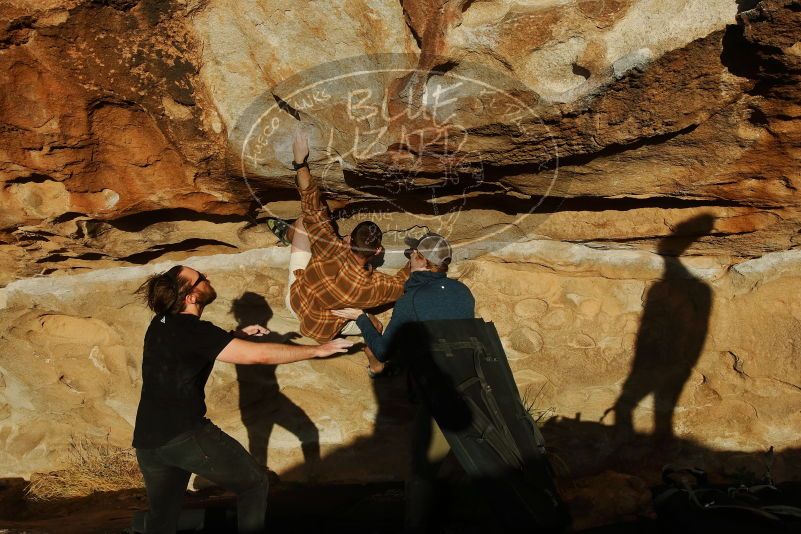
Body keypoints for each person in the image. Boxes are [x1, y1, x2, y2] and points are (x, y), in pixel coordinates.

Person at [133, 264, 352, 534]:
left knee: (162, 521)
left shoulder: (161, 322)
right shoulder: (195, 331)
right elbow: (256, 356)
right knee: (254, 483)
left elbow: (195, 344)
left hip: (147, 442)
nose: (207, 277)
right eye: (200, 278)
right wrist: (317, 350)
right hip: (185, 435)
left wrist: (235, 336)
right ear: (190, 297)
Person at [332, 234, 475, 532]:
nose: (408, 257)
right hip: (470, 385)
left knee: (421, 471)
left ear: (421, 260)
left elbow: (383, 349)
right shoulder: (463, 293)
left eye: (411, 254)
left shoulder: (411, 301)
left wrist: (361, 317)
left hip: (438, 397)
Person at [266, 131, 409, 351]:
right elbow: (402, 284)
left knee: (307, 221)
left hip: (296, 302)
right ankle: (371, 358)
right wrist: (417, 258)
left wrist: (300, 163)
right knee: (376, 325)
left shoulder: (328, 246)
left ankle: (287, 235)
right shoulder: (372, 286)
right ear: (378, 250)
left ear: (349, 238)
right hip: (322, 329)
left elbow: (312, 206)